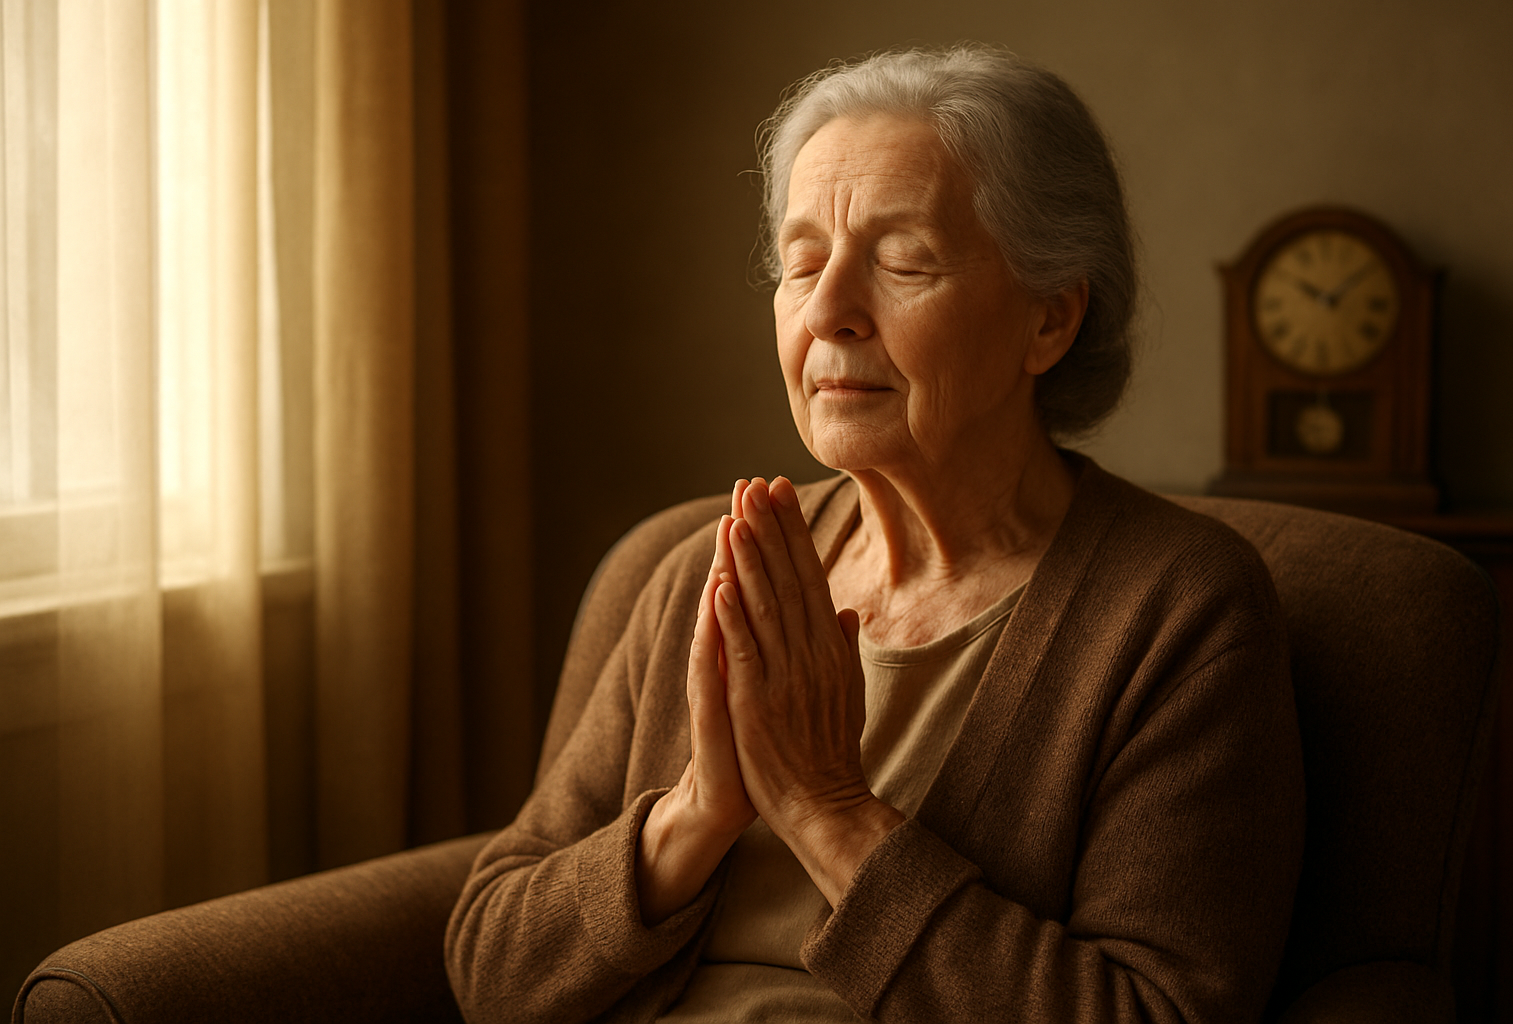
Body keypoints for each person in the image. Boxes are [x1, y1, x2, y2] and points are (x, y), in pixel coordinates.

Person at [445, 45, 1305, 1023]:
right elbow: (492, 968)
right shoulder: (700, 571)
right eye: (803, 262)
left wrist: (828, 813)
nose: (827, 311)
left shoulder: (1177, 611)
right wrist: (694, 815)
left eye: (903, 262)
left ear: (1050, 321)